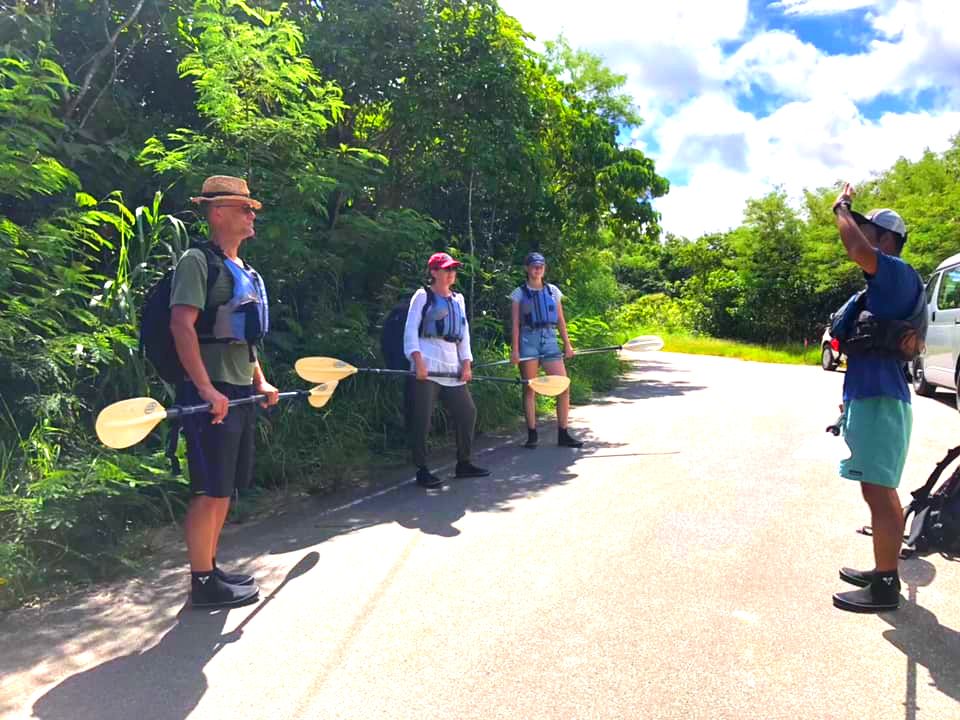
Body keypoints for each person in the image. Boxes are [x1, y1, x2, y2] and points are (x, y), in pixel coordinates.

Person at [170, 175, 279, 608]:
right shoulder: (198, 261)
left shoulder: (245, 271)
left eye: (251, 208)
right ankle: (201, 582)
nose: (252, 215)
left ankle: (210, 567)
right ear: (217, 213)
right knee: (209, 487)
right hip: (210, 390)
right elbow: (182, 325)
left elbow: (246, 339)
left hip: (238, 387)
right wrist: (204, 388)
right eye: (243, 208)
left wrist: (260, 380)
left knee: (226, 487)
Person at [830, 182, 924, 613]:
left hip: (883, 399)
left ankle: (886, 586)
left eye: (870, 229)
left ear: (888, 240)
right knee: (874, 489)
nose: (862, 235)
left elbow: (854, 249)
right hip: (871, 397)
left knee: (881, 490)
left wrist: (842, 208)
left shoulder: (896, 274)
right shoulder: (880, 286)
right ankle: (882, 568)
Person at [404, 252, 490, 488]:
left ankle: (464, 463)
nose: (451, 273)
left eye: (453, 269)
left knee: (467, 412)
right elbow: (411, 330)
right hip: (428, 363)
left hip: (451, 365)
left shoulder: (458, 299)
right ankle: (422, 469)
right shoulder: (423, 296)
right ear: (434, 272)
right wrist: (418, 361)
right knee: (422, 418)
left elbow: (464, 335)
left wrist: (466, 363)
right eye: (445, 269)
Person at [510, 252, 582, 449]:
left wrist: (567, 344)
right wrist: (515, 350)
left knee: (563, 385)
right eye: (534, 266)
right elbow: (515, 324)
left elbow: (560, 319)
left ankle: (563, 433)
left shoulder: (553, 291)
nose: (537, 269)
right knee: (530, 387)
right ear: (527, 268)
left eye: (540, 265)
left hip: (549, 340)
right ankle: (532, 433)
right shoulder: (519, 293)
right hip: (528, 340)